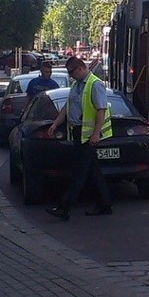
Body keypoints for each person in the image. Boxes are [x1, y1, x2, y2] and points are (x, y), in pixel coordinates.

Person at [44, 54, 113, 220]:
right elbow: (67, 107)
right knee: (93, 171)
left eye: (71, 72)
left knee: (79, 172)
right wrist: (55, 123)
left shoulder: (95, 84)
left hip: (88, 135)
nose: (70, 75)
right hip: (78, 133)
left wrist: (96, 133)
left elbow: (101, 110)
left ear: (81, 68)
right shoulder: (76, 85)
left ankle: (64, 207)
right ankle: (105, 205)